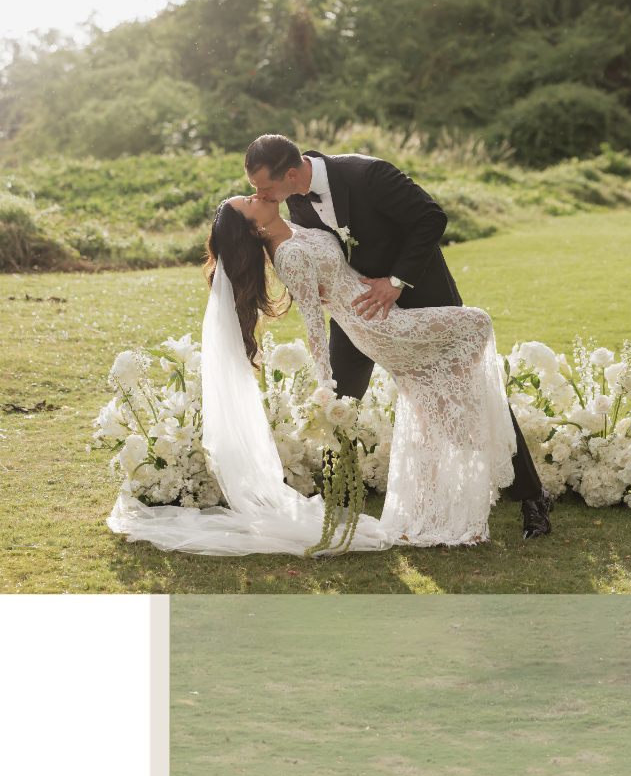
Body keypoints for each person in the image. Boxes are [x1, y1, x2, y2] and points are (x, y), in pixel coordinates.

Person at [106, 193, 523, 555]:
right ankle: (463, 468)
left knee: (434, 394)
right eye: (249, 203)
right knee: (477, 323)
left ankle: (441, 510)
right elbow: (314, 324)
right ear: (253, 229)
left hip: (379, 304)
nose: (258, 197)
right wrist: (327, 387)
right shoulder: (287, 255)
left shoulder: (293, 221)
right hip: (373, 323)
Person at [244, 133, 552, 539]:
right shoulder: (294, 202)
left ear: (289, 173)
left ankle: (532, 498)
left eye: (265, 187)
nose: (262, 195)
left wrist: (396, 281)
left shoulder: (367, 173)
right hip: (359, 316)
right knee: (338, 399)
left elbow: (431, 217)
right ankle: (335, 502)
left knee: (467, 394)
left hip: (421, 298)